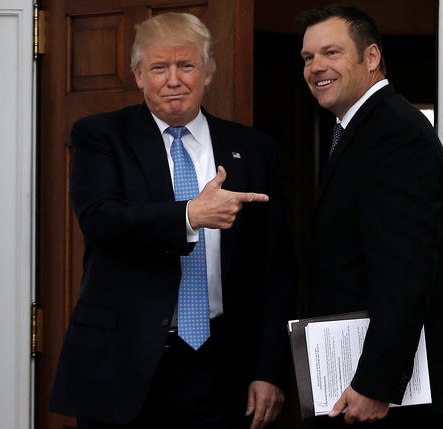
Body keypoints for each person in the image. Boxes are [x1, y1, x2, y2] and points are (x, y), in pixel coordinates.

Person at [48, 12, 296, 429]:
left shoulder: (254, 149)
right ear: (138, 75)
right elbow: (99, 219)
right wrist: (188, 215)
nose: (173, 79)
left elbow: (276, 269)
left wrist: (268, 370)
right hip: (122, 361)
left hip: (222, 364)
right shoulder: (101, 135)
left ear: (208, 73)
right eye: (159, 67)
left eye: (187, 65)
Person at [296, 5, 443, 428]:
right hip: (363, 379)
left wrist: (377, 383)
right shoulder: (356, 128)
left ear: (371, 57)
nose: (316, 67)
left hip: (389, 394)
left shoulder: (394, 132)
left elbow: (406, 271)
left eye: (331, 53)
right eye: (308, 57)